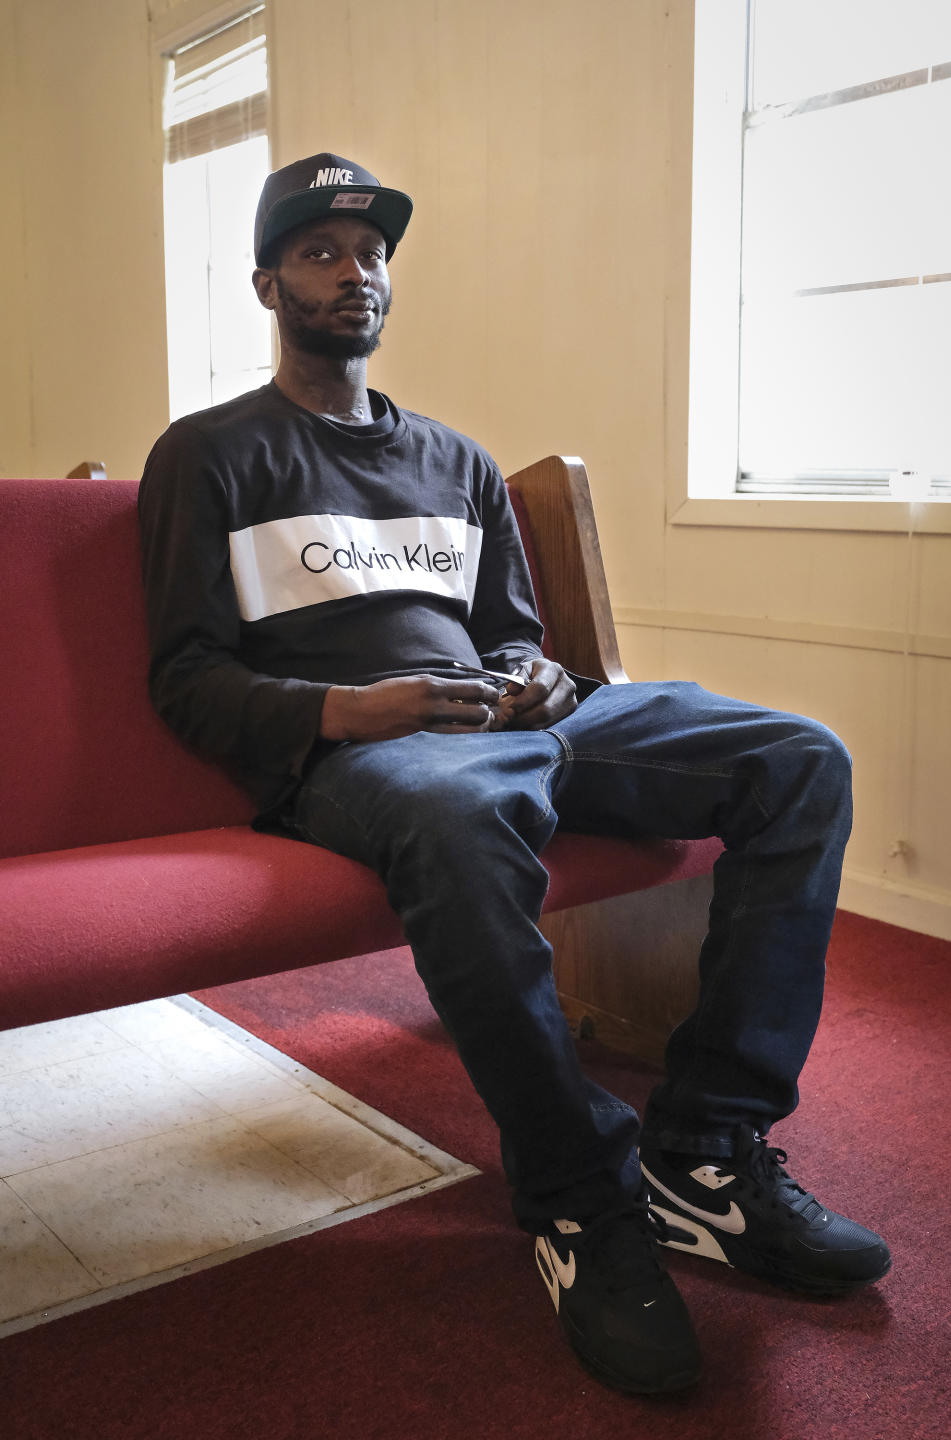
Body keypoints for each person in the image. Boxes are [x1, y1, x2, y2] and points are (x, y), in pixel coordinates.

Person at [139, 152, 891, 1396]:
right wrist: (348, 707)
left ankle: (705, 1155)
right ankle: (579, 1205)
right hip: (364, 755)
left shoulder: (457, 459)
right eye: (322, 252)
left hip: (516, 724)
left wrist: (534, 675)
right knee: (456, 816)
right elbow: (185, 678)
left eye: (372, 251)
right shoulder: (212, 455)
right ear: (267, 283)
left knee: (797, 759)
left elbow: (512, 634)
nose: (356, 271)